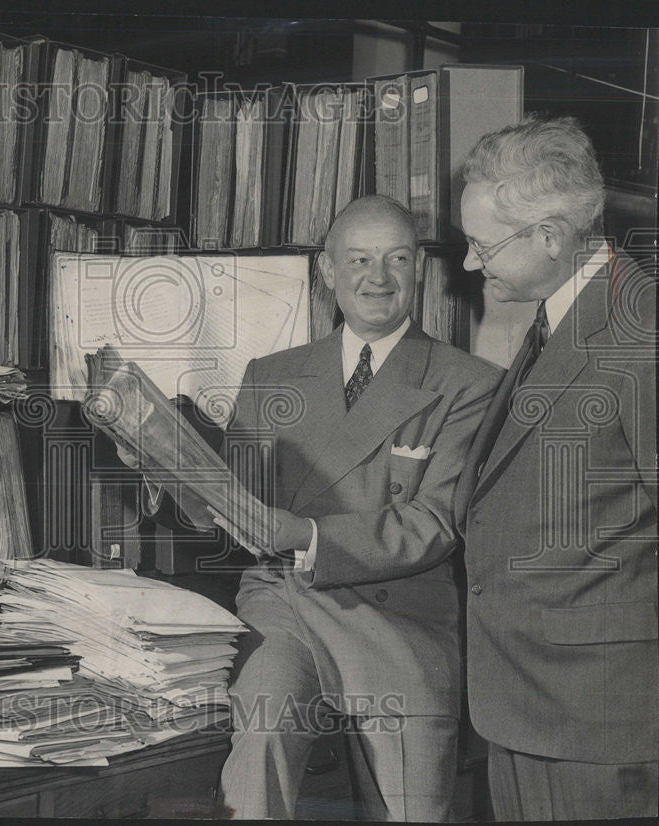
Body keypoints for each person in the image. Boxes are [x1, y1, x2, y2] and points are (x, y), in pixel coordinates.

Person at [129, 195, 503, 819]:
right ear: (327, 271)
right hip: (285, 605)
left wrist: (304, 532)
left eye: (396, 259)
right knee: (259, 749)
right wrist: (176, 476)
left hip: (400, 620)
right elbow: (232, 507)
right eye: (358, 259)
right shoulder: (272, 372)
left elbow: (434, 526)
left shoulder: (468, 383)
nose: (376, 278)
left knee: (413, 806)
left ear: (419, 271)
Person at [453, 116, 658, 820]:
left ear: (548, 236)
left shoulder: (639, 335)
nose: (472, 265)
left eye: (482, 246)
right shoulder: (563, 316)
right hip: (528, 700)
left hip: (597, 719)